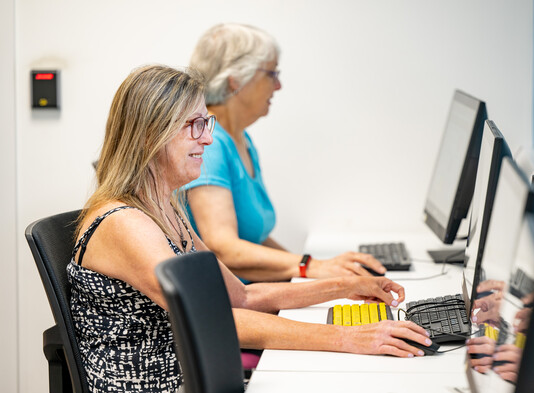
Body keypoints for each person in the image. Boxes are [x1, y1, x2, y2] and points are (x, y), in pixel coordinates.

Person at [68, 64, 432, 392]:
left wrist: (345, 286)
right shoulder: (124, 223)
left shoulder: (164, 208)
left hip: (191, 374)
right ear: (150, 135)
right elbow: (212, 321)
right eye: (194, 126)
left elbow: (241, 297)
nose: (207, 139)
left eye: (205, 123)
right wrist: (348, 338)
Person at [183, 23, 385, 282]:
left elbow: (254, 238)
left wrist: (315, 271)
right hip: (231, 308)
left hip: (255, 295)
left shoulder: (240, 138)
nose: (278, 85)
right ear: (236, 79)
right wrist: (308, 267)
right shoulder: (209, 144)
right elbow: (224, 249)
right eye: (271, 73)